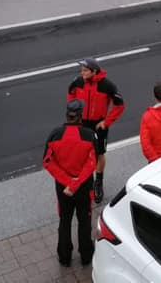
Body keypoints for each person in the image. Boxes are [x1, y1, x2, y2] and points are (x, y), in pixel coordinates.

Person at [43, 99, 99, 267]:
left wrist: (67, 182)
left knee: (64, 220)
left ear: (67, 114)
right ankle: (86, 255)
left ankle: (64, 256)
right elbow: (92, 163)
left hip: (63, 188)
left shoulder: (54, 134)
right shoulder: (89, 135)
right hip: (83, 187)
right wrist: (76, 183)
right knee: (84, 220)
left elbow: (47, 162)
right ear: (81, 116)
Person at [68, 58, 125, 204]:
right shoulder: (78, 82)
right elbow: (71, 95)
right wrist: (74, 116)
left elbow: (120, 105)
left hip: (99, 125)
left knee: (99, 154)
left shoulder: (107, 85)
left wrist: (106, 122)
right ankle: (87, 182)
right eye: (81, 70)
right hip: (82, 124)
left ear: (94, 71)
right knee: (83, 154)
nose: (82, 73)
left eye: (85, 70)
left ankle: (98, 182)